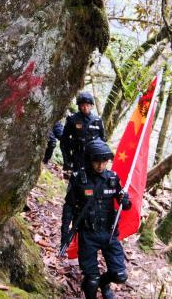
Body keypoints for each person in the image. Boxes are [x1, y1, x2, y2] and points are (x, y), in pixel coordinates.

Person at [61, 139, 131, 299]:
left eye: (104, 162)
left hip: (109, 233)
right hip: (88, 234)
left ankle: (104, 284)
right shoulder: (79, 178)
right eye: (97, 162)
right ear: (89, 159)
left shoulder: (112, 178)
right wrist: (65, 231)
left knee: (120, 274)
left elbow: (125, 205)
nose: (100, 166)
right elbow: (69, 206)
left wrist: (125, 200)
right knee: (91, 279)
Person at [59, 91, 105, 178]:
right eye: (83, 105)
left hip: (93, 158)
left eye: (88, 105)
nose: (85, 107)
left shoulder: (97, 120)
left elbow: (102, 141)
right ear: (79, 106)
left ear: (91, 106)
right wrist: (67, 160)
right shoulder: (72, 119)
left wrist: (100, 160)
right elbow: (64, 141)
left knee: (91, 183)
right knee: (75, 183)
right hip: (77, 157)